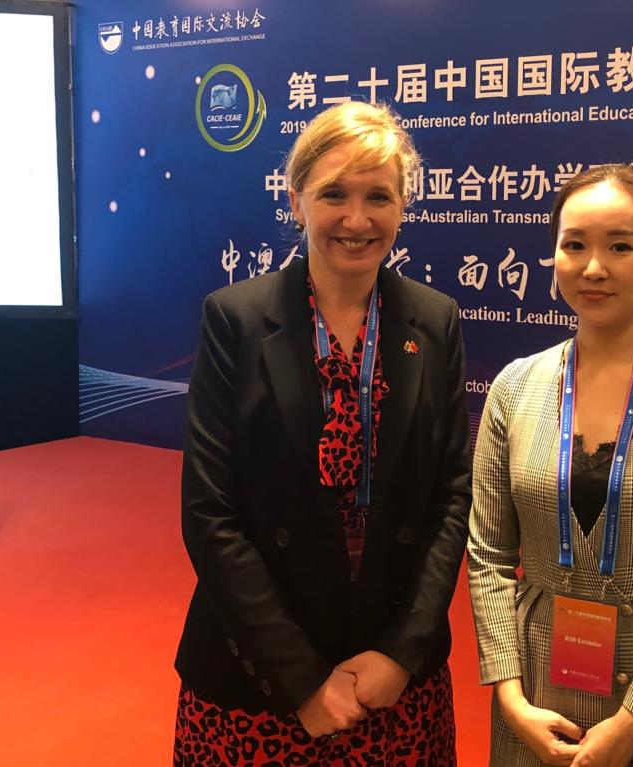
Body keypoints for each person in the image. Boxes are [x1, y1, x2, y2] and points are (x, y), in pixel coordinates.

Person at [173, 101, 471, 766]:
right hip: (260, 672)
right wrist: (301, 678)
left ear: (402, 206)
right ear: (296, 200)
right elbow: (210, 513)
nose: (357, 219)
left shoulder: (434, 320)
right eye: (334, 193)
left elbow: (452, 496)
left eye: (378, 197)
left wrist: (403, 651)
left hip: (392, 673)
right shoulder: (236, 319)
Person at [468, 164, 633, 767]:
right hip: (534, 695)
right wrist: (510, 697)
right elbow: (489, 555)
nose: (594, 267)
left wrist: (632, 723)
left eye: (620, 246)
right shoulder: (513, 387)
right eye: (574, 245)